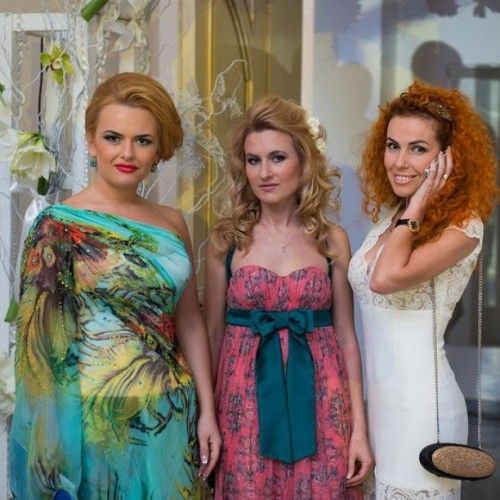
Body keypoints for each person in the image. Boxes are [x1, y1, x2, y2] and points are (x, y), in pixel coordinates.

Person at [9, 72, 221, 499]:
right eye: (113, 138)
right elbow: (39, 352)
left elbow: (189, 322)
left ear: (158, 149)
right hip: (93, 429)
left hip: (169, 416)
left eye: (142, 140)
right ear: (91, 141)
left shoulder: (172, 222)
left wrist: (208, 411)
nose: (127, 153)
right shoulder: (56, 226)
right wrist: (54, 449)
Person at [204, 95, 373, 499]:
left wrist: (359, 430)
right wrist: (206, 415)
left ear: (304, 160)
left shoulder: (332, 241)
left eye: (277, 158)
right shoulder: (225, 241)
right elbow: (212, 335)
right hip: (243, 405)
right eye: (253, 160)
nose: (264, 172)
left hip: (323, 403)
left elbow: (347, 337)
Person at [348, 80, 497, 498]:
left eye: (418, 149)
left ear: (447, 158)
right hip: (378, 411)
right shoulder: (389, 221)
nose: (400, 161)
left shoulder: (463, 227)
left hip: (423, 414)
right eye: (392, 146)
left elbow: (384, 279)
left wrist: (417, 204)